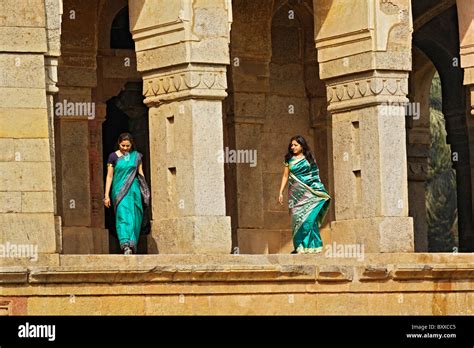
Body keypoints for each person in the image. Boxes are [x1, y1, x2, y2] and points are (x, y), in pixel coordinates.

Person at [278, 135, 331, 254]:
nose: (292, 147)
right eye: (291, 145)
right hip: (295, 194)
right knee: (297, 219)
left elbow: (314, 174)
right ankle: (299, 246)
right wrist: (280, 192)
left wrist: (318, 189)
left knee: (309, 220)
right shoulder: (289, 159)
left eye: (295, 145)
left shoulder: (309, 158)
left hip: (310, 192)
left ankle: (313, 246)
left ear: (302, 146)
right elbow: (285, 176)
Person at [104, 133, 150, 254]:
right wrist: (106, 195)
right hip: (119, 191)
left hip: (134, 189)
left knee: (135, 216)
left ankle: (132, 243)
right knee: (123, 216)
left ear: (131, 145)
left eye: (127, 146)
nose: (125, 148)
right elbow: (109, 176)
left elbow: (140, 174)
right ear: (119, 144)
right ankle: (125, 244)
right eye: (123, 145)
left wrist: (144, 192)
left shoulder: (136, 156)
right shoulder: (113, 157)